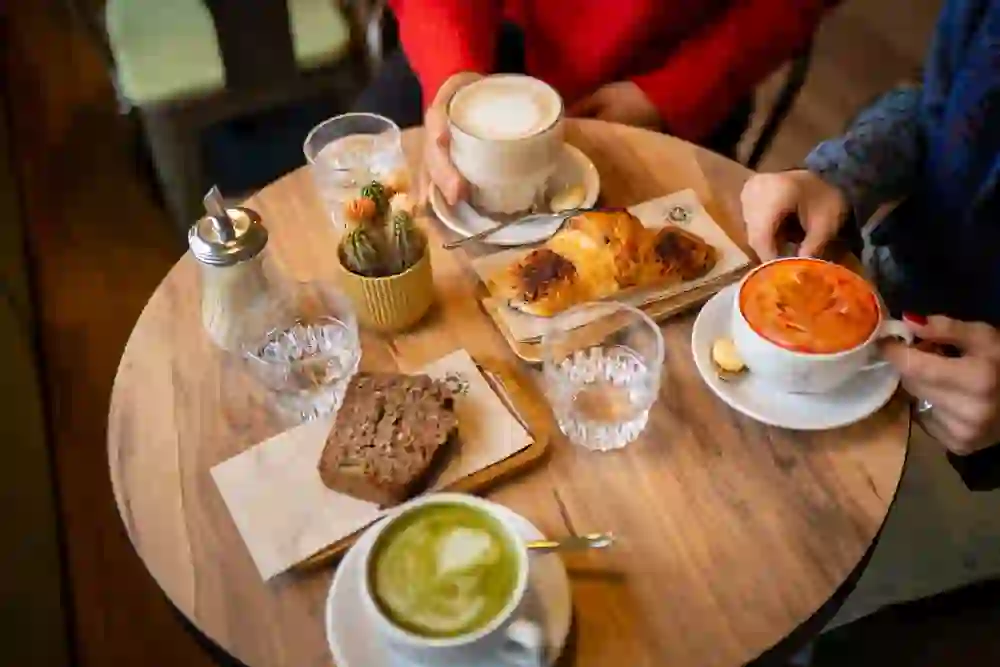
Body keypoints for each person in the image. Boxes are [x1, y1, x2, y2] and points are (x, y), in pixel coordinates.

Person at [741, 0, 1000, 630]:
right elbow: (933, 106)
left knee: (764, 590)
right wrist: (836, 176)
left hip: (978, 471)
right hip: (890, 309)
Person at [353, 0, 836, 204]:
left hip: (680, 71)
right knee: (356, 193)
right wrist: (451, 66)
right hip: (486, 41)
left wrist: (671, 93)